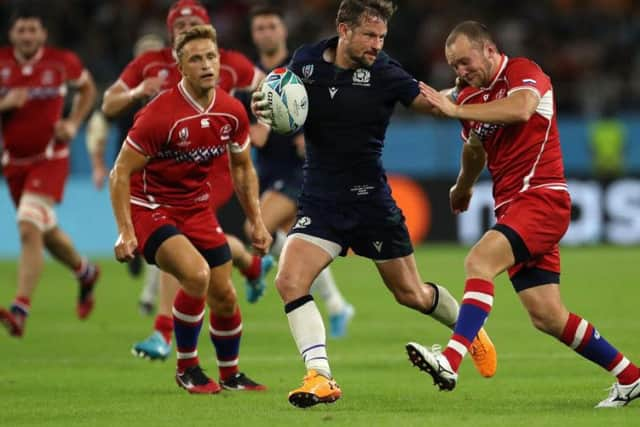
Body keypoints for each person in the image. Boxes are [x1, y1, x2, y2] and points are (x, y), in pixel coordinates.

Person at [251, 0, 497, 408]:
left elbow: (432, 102)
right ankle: (320, 376)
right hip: (320, 199)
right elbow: (279, 98)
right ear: (343, 29)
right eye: (369, 35)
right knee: (289, 281)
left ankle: (467, 330)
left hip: (371, 204)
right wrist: (264, 108)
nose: (376, 45)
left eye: (382, 37)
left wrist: (471, 89)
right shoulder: (306, 60)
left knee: (411, 295)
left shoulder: (384, 72)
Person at [412, 20, 640, 408]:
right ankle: (630, 377)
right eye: (454, 66)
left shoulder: (522, 72)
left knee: (479, 260)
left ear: (488, 49)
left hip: (542, 199)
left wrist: (452, 107)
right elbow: (475, 149)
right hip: (512, 205)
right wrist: (463, 186)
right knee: (547, 315)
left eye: (465, 61)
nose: (460, 72)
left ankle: (450, 360)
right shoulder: (468, 99)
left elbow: (521, 109)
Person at [101, 0, 273, 360]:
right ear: (171, 35)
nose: (185, 29)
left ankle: (170, 335)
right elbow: (108, 103)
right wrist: (135, 93)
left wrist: (265, 124)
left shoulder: (228, 65)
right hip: (161, 177)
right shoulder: (150, 67)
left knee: (187, 255)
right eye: (179, 25)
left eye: (193, 22)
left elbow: (271, 88)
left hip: (209, 173)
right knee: (186, 257)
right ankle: (248, 268)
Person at [244, 4, 354, 337]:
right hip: (267, 168)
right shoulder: (247, 79)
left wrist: (311, 133)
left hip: (301, 170)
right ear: (254, 34)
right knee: (298, 243)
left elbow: (327, 108)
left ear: (283, 30)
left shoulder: (300, 70)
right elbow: (249, 131)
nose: (266, 32)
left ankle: (256, 267)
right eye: (260, 27)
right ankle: (337, 304)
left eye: (271, 26)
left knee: (258, 227)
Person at [0, 7, 99, 337]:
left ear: (42, 35)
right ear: (12, 34)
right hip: (13, 162)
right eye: (21, 30)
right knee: (46, 232)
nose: (27, 36)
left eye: (33, 30)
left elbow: (88, 89)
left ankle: (20, 308)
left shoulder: (62, 62)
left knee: (28, 226)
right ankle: (84, 272)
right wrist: (5, 104)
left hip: (51, 158)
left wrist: (73, 123)